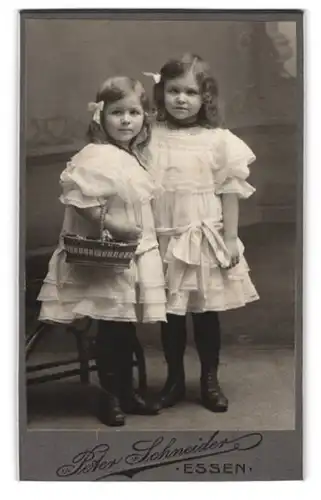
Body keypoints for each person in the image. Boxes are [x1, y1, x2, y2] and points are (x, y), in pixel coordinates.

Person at [37, 76, 166, 426]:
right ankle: (111, 396)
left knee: (123, 327)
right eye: (117, 113)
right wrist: (113, 225)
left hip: (131, 253)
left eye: (134, 113)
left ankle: (125, 392)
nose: (126, 120)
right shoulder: (95, 155)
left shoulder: (133, 155)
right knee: (111, 326)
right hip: (105, 253)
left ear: (145, 117)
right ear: (100, 117)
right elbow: (82, 201)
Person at [145, 53, 259, 413]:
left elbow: (229, 190)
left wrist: (229, 238)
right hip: (165, 235)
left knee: (207, 314)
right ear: (161, 93)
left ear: (205, 97)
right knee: (172, 315)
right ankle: (175, 379)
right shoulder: (151, 137)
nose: (181, 99)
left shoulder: (218, 140)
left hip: (204, 236)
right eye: (174, 91)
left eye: (191, 92)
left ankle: (210, 379)